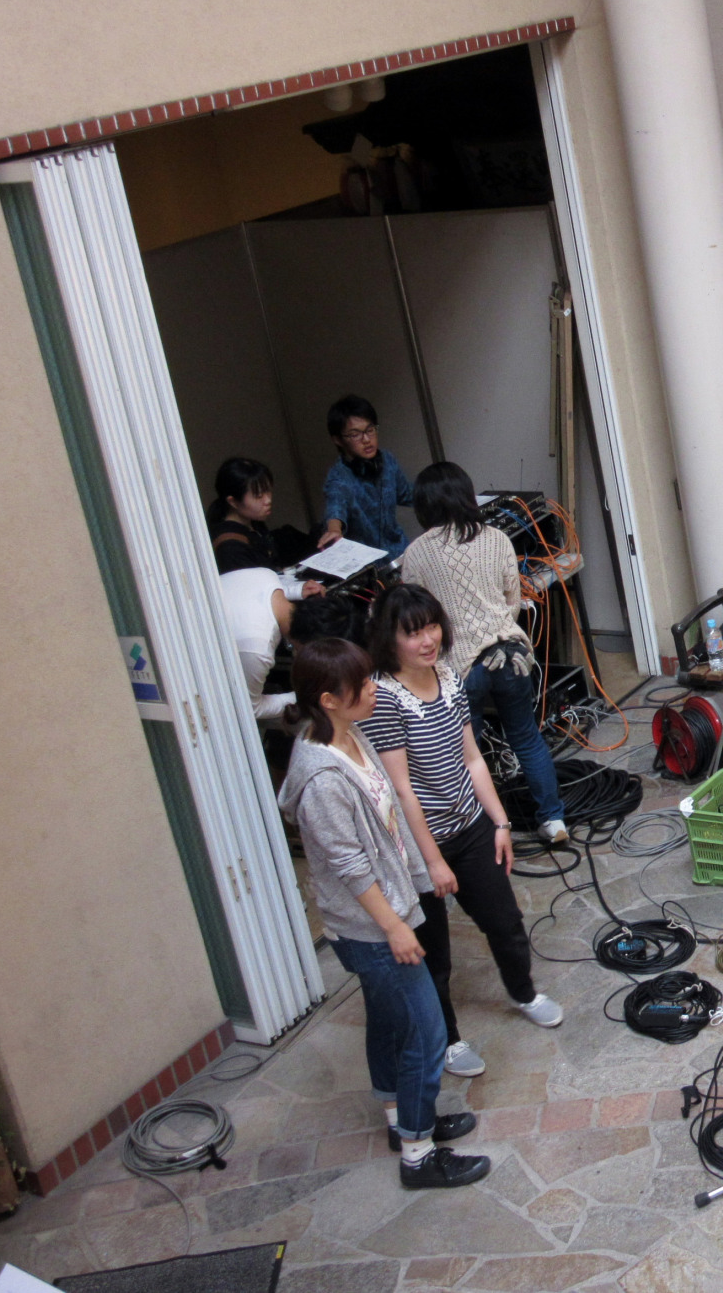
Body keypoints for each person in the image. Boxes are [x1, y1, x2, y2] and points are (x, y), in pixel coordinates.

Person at [276, 638, 490, 1189]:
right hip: (371, 930)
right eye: (362, 684)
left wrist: (420, 876)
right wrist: (395, 927)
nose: (374, 689)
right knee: (426, 1033)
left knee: (391, 1022)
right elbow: (350, 867)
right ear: (328, 699)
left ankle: (401, 1121)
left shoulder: (351, 735)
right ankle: (419, 1155)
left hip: (387, 915)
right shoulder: (322, 779)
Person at [364, 584, 563, 1080]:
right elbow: (401, 791)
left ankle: (524, 993)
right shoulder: (383, 698)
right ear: (389, 639)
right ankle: (448, 1040)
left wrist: (500, 822)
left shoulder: (451, 678)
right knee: (433, 954)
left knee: (505, 922)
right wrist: (431, 861)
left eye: (432, 626)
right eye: (413, 633)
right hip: (419, 846)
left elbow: (472, 758)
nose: (427, 640)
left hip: (471, 827)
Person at [401, 462, 568, 846]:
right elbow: (512, 601)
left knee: (468, 754)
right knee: (526, 737)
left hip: (459, 668)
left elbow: (415, 616)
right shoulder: (496, 538)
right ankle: (553, 821)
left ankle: (485, 831)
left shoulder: (417, 553)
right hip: (510, 655)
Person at [319, 396, 414, 560]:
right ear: (338, 440)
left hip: (400, 553)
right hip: (368, 565)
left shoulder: (387, 460)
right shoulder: (338, 478)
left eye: (370, 430)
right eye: (355, 434)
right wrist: (334, 529)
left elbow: (407, 494)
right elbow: (335, 507)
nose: (367, 439)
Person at [207, 456, 321, 583]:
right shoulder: (230, 548)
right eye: (259, 496)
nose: (268, 500)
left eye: (268, 491)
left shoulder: (254, 523)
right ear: (233, 502)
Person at [219, 566, 297, 721]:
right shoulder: (258, 648)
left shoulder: (266, 574)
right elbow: (250, 709)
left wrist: (298, 590)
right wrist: (302, 697)